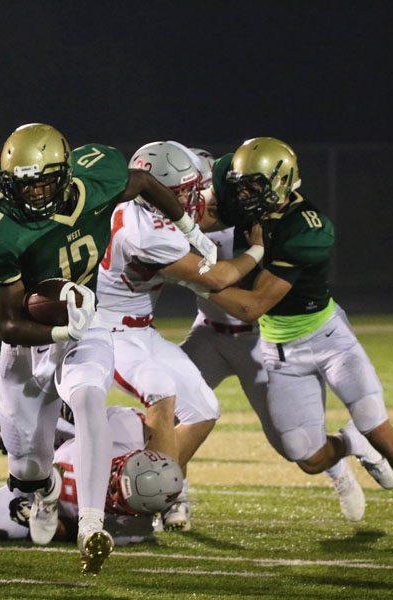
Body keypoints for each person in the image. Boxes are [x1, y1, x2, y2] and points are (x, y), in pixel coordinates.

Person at [0, 123, 216, 574]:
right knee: (29, 463)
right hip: (32, 339)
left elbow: (144, 182)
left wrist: (190, 228)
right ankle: (41, 488)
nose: (34, 193)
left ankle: (92, 524)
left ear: (64, 173)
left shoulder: (97, 176)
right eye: (24, 184)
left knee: (91, 399)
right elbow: (9, 324)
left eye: (42, 181)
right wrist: (61, 331)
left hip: (88, 320)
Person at [207, 137, 393, 543]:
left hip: (329, 339)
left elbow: (251, 307)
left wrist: (195, 278)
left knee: (379, 428)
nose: (243, 195)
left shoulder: (307, 228)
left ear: (280, 183)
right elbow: (205, 213)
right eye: (241, 186)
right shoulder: (250, 202)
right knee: (309, 458)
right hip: (280, 353)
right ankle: (350, 441)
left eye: (253, 187)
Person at [179, 146, 372, 522]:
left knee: (293, 446)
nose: (193, 199)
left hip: (255, 338)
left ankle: (343, 455)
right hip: (206, 334)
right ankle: (175, 495)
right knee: (166, 409)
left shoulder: (256, 219)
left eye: (195, 188)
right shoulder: (176, 221)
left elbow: (247, 293)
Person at [96, 140, 266, 531]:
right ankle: (132, 497)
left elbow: (203, 222)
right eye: (187, 190)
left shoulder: (145, 213)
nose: (196, 196)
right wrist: (257, 249)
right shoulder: (147, 232)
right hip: (107, 331)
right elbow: (221, 276)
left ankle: (153, 490)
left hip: (141, 329)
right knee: (160, 393)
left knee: (204, 409)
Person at [0, 398, 175, 549]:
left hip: (36, 501)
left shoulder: (134, 528)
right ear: (132, 455)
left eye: (116, 494)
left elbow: (70, 532)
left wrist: (36, 518)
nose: (108, 484)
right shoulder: (128, 429)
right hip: (51, 448)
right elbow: (85, 420)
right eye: (115, 473)